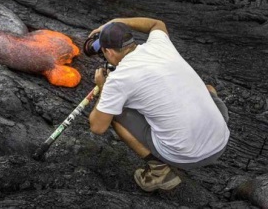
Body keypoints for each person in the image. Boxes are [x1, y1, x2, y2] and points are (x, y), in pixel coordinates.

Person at [88, 17, 230, 192]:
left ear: (109, 53)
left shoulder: (119, 79)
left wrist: (103, 87)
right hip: (221, 138)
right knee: (207, 88)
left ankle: (159, 171)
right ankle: (204, 125)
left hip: (189, 156)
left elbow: (97, 126)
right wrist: (117, 21)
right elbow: (157, 24)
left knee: (114, 113)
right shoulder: (159, 44)